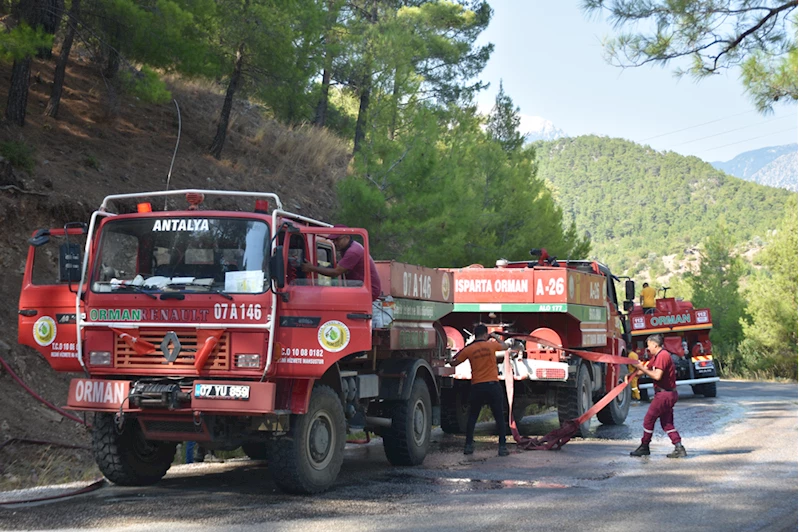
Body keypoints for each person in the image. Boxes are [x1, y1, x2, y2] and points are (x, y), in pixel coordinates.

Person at [449, 324, 511, 457]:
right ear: (485, 334)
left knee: (472, 417)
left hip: (477, 386)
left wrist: (463, 350)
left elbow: (454, 363)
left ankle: (468, 446)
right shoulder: (491, 345)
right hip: (493, 385)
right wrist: (495, 337)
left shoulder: (469, 349)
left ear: (475, 335)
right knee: (499, 417)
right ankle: (502, 447)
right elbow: (505, 347)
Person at [630, 333, 687, 458]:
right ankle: (679, 447)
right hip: (669, 394)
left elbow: (657, 375)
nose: (648, 349)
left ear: (655, 345)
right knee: (667, 423)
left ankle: (644, 446)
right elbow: (645, 368)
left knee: (648, 420)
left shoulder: (662, 356)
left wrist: (641, 368)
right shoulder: (657, 356)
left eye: (649, 346)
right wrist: (632, 375)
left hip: (664, 395)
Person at [301, 224, 382, 300]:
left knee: (330, 297)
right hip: (361, 286)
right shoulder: (347, 248)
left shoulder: (352, 252)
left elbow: (336, 272)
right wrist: (318, 266)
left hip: (369, 290)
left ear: (347, 237)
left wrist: (313, 268)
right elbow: (338, 267)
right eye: (333, 240)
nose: (335, 243)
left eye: (337, 240)